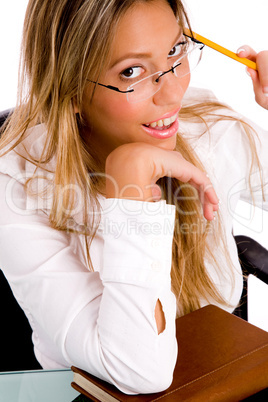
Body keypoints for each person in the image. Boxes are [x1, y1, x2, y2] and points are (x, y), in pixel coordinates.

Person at [0, 0, 267, 395]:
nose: (173, 92)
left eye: (175, 51)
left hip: (221, 369)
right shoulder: (17, 188)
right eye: (131, 71)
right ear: (69, 90)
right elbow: (140, 372)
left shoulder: (206, 124)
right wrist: (130, 190)